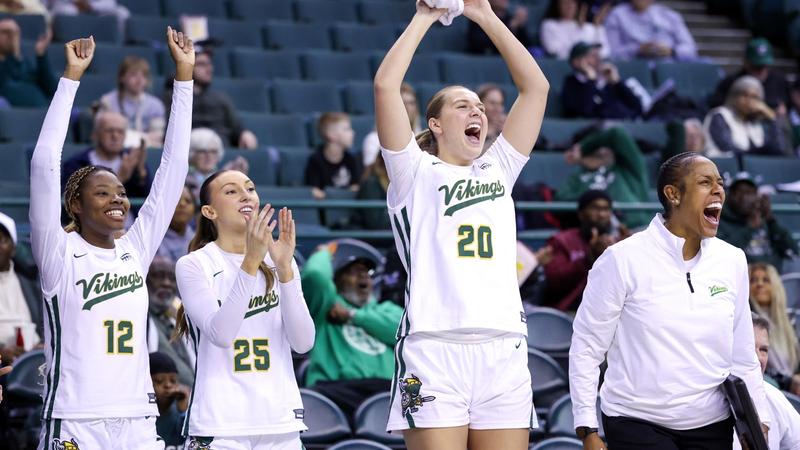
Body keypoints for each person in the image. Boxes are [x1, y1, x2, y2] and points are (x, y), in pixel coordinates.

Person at [374, 0, 549, 447]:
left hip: (505, 345)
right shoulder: (413, 173)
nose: (477, 112)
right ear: (434, 123)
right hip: (434, 347)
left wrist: (485, 15)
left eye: (479, 106)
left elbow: (536, 88)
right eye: (462, 105)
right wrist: (425, 16)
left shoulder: (499, 169)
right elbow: (386, 85)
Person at [29, 28, 194, 449]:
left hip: (137, 417)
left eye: (121, 192)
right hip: (75, 417)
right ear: (75, 206)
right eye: (102, 193)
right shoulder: (58, 253)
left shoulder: (133, 251)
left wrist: (184, 77)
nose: (117, 199)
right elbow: (44, 162)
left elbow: (173, 170)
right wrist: (70, 79)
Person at [569, 152, 770, 450]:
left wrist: (759, 419)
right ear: (673, 194)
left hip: (713, 426)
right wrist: (588, 429)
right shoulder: (621, 259)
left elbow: (742, 352)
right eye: (705, 182)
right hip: (636, 423)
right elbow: (587, 347)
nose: (718, 190)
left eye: (720, 183)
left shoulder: (732, 259)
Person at [173, 170, 315, 449]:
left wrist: (285, 269)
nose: (245, 195)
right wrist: (251, 261)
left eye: (249, 188)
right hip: (221, 423)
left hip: (279, 420)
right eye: (231, 191)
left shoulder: (280, 261)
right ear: (209, 211)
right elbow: (221, 334)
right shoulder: (194, 265)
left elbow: (303, 343)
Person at [300, 239, 403, 416]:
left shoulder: (386, 310)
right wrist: (323, 252)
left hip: (386, 390)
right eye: (354, 272)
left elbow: (402, 331)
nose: (363, 276)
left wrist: (352, 315)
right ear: (338, 281)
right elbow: (315, 275)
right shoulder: (327, 306)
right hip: (337, 388)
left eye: (367, 273)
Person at [542, 190, 627, 311]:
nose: (602, 214)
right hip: (570, 311)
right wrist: (589, 257)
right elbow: (554, 281)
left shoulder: (619, 243)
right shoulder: (562, 241)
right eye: (595, 208)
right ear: (581, 213)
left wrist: (628, 250)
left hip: (610, 310)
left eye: (606, 209)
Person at [556, 127, 651, 229]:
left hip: (638, 229)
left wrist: (584, 147)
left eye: (605, 145)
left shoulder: (627, 168)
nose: (604, 151)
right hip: (602, 235)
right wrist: (594, 198)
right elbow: (560, 200)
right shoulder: (577, 178)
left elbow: (617, 134)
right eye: (597, 149)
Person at [733, 315, 800, 450]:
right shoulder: (705, 402)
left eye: (763, 350)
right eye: (749, 347)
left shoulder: (774, 396)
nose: (758, 358)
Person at [717, 172, 798, 272]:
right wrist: (750, 228)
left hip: (772, 279)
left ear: (756, 196)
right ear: (729, 195)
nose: (744, 197)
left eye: (749, 192)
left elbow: (793, 251)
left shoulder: (764, 220)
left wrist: (771, 220)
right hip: (741, 279)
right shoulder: (719, 221)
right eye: (739, 192)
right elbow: (722, 256)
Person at [63, 110, 152, 200]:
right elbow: (72, 202)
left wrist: (141, 172)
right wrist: (120, 178)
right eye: (109, 131)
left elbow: (151, 202)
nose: (115, 136)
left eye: (120, 132)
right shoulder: (77, 164)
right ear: (95, 134)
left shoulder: (131, 161)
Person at [182, 48, 258, 149]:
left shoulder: (220, 98)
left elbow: (236, 127)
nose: (209, 69)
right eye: (202, 64)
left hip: (220, 148)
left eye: (209, 64)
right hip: (190, 148)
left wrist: (244, 134)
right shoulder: (175, 97)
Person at [704, 76, 787, 157]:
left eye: (754, 97)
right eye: (744, 95)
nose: (749, 101)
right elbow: (727, 148)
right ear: (734, 96)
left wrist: (772, 119)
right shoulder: (720, 115)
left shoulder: (755, 123)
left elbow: (779, 150)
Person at [749, 263, 800, 394]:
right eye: (753, 280)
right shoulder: (746, 321)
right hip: (767, 389)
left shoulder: (789, 323)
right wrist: (789, 382)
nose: (759, 284)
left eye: (766, 280)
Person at [0, 211, 42, 363]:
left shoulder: (31, 283)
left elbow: (46, 327)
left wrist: (43, 347)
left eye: (1, 240)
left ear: (13, 248)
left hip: (33, 360)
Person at [146, 255, 194, 386]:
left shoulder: (177, 321)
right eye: (158, 276)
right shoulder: (140, 321)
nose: (166, 283)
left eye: (172, 279)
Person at [562, 41, 642, 120]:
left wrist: (617, 82)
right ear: (577, 62)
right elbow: (585, 111)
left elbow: (637, 108)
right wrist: (591, 81)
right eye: (592, 55)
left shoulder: (609, 83)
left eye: (598, 55)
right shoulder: (571, 83)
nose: (598, 59)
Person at [99, 56, 166, 148]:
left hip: (146, 150)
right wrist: (143, 138)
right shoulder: (108, 101)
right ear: (122, 77)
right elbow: (106, 134)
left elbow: (157, 138)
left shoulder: (156, 105)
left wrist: (134, 138)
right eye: (133, 75)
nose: (139, 80)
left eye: (144, 76)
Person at [710, 38, 791, 114]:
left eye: (764, 66)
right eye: (757, 67)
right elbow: (715, 106)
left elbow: (790, 104)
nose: (761, 71)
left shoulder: (779, 80)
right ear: (746, 62)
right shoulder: (732, 83)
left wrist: (783, 110)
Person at [605, 0, 697, 60]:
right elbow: (613, 53)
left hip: (670, 66)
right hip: (636, 68)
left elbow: (691, 48)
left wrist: (672, 51)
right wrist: (637, 49)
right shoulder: (616, 15)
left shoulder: (669, 15)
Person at [362, 82, 422, 169]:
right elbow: (373, 172)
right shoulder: (373, 139)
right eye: (403, 103)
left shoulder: (421, 136)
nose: (408, 108)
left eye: (411, 103)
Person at [0, 17, 57, 107]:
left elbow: (52, 89)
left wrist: (41, 55)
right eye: (6, 32)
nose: (11, 36)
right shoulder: (8, 63)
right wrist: (14, 54)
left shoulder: (26, 62)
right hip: (12, 115)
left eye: (15, 32)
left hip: (41, 111)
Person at [305, 112, 361, 200]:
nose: (352, 133)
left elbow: (356, 186)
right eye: (346, 129)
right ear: (331, 134)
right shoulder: (315, 160)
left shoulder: (351, 159)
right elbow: (313, 190)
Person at [540, 0, 610, 59]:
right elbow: (555, 51)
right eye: (565, 3)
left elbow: (605, 52)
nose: (569, 6)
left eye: (572, 2)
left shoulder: (590, 27)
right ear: (558, 5)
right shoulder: (549, 25)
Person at [149, 351, 190, 450]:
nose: (168, 385)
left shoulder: (181, 416)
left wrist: (184, 411)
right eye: (159, 381)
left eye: (173, 380)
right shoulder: (141, 420)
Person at [352, 153, 391, 230]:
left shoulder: (392, 182)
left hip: (386, 233)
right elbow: (375, 222)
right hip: (367, 234)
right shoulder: (371, 183)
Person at [157, 185, 195, 263]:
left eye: (188, 201)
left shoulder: (198, 239)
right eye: (176, 200)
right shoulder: (153, 241)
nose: (182, 204)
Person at [477, 83, 506, 150]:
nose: (497, 108)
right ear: (480, 104)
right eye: (492, 103)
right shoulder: (470, 130)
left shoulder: (506, 128)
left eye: (500, 103)